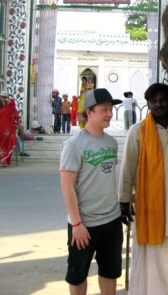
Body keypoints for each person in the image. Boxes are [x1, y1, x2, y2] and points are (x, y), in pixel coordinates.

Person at [119, 83, 168, 295]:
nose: (158, 105)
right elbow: (127, 168)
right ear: (147, 104)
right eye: (153, 101)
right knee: (148, 252)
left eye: (162, 100)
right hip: (149, 205)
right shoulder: (138, 131)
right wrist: (123, 201)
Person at [60, 88, 123, 295]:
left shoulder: (111, 143)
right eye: (104, 109)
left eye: (110, 109)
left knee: (110, 272)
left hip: (111, 221)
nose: (109, 114)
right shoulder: (74, 145)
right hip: (84, 224)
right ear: (89, 112)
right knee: (78, 275)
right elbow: (67, 186)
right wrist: (77, 223)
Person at [0, 91, 19, 167]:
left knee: (6, 145)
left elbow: (15, 116)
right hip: (1, 128)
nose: (3, 99)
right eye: (2, 97)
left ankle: (5, 161)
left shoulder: (10, 107)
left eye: (5, 97)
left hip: (7, 129)